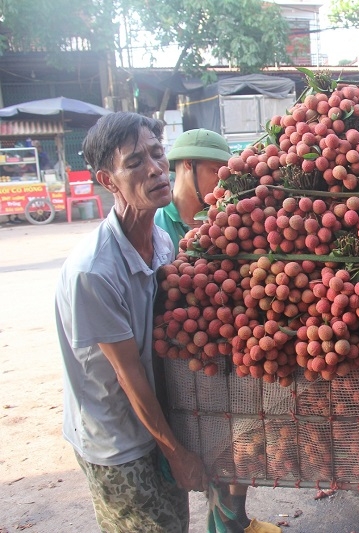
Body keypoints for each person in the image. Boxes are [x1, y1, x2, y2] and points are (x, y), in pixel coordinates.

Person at [55, 112, 207, 532]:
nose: (155, 169)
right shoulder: (95, 271)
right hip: (116, 440)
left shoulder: (160, 241)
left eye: (158, 155)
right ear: (108, 180)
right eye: (135, 162)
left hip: (156, 422)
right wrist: (176, 452)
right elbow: (128, 374)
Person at [155, 129, 254, 532]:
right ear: (187, 167)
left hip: (231, 361)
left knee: (239, 456)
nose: (223, 180)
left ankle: (233, 522)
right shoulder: (158, 226)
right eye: (216, 171)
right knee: (195, 458)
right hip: (182, 366)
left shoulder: (229, 217)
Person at [155, 128, 232, 252]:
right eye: (216, 171)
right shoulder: (154, 225)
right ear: (189, 163)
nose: (222, 180)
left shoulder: (227, 221)